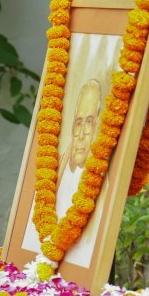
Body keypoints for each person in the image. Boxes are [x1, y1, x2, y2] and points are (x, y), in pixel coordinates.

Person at [56, 78, 102, 209]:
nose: (81, 135)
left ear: (97, 126)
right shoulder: (56, 166)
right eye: (78, 123)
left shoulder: (102, 176)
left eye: (89, 122)